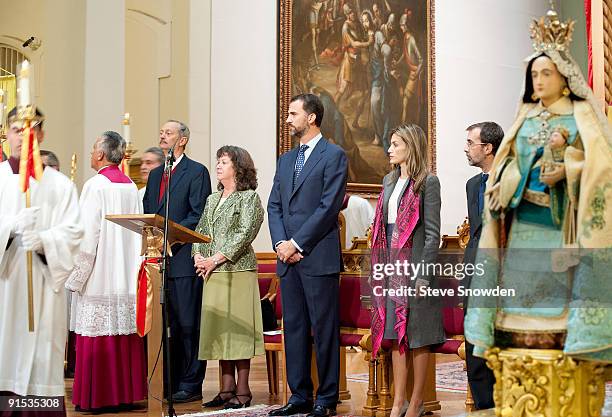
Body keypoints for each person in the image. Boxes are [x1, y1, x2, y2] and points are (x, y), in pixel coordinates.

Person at [465, 9, 612, 362]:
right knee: (520, 298)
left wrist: (567, 171)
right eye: (534, 74)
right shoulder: (525, 118)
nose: (539, 80)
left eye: (546, 73)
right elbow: (511, 161)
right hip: (523, 221)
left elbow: (601, 165)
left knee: (558, 296)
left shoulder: (581, 116)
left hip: (560, 223)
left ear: (564, 78)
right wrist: (504, 181)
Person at [268, 93, 348, 417]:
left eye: (293, 113)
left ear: (311, 117)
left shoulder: (334, 155)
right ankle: (298, 395)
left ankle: (326, 399)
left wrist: (296, 244)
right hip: (287, 259)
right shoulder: (285, 160)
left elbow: (328, 207)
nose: (288, 119)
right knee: (296, 328)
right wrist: (279, 245)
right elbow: (274, 205)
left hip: (316, 255)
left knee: (324, 329)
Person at [0, 107, 83, 415]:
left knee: (40, 373)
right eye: (17, 130)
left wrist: (46, 241)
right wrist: (9, 230)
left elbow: (74, 234)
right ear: (6, 134)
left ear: (42, 135)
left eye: (31, 129)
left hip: (44, 294)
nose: (24, 136)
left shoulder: (60, 186)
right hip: (6, 292)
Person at [65, 131, 146, 411]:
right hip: (125, 273)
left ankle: (97, 397)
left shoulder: (95, 186)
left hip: (100, 273)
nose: (90, 154)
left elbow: (88, 236)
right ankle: (125, 394)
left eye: (91, 150)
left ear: (100, 154)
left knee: (97, 334)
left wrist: (76, 276)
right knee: (122, 334)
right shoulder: (131, 187)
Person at [369, 124, 443, 417]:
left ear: (410, 147)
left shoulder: (428, 182)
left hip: (415, 267)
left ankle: (417, 401)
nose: (389, 149)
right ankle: (398, 401)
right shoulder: (388, 180)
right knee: (396, 334)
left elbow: (432, 235)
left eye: (395, 144)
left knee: (418, 335)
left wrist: (424, 275)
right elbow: (383, 228)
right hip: (391, 267)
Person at [143, 120, 212, 402]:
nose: (162, 135)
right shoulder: (157, 174)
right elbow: (149, 210)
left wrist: (171, 236)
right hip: (158, 259)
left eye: (168, 132)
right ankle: (168, 381)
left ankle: (191, 382)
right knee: (166, 323)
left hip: (184, 258)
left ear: (182, 140)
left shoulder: (197, 172)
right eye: (161, 131)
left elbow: (198, 214)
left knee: (187, 323)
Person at [192, 146, 264, 409]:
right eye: (218, 161)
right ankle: (225, 389)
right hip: (212, 272)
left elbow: (245, 233)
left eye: (224, 162)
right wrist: (198, 256)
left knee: (237, 331)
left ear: (238, 167)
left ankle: (242, 391)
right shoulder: (213, 199)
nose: (218, 166)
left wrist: (216, 258)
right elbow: (200, 230)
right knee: (220, 330)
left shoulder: (249, 198)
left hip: (238, 270)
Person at [462, 121, 504, 410]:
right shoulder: (472, 184)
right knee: (475, 345)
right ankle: (482, 406)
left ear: (487, 148)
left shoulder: (510, 179)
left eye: (470, 143)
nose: (466, 149)